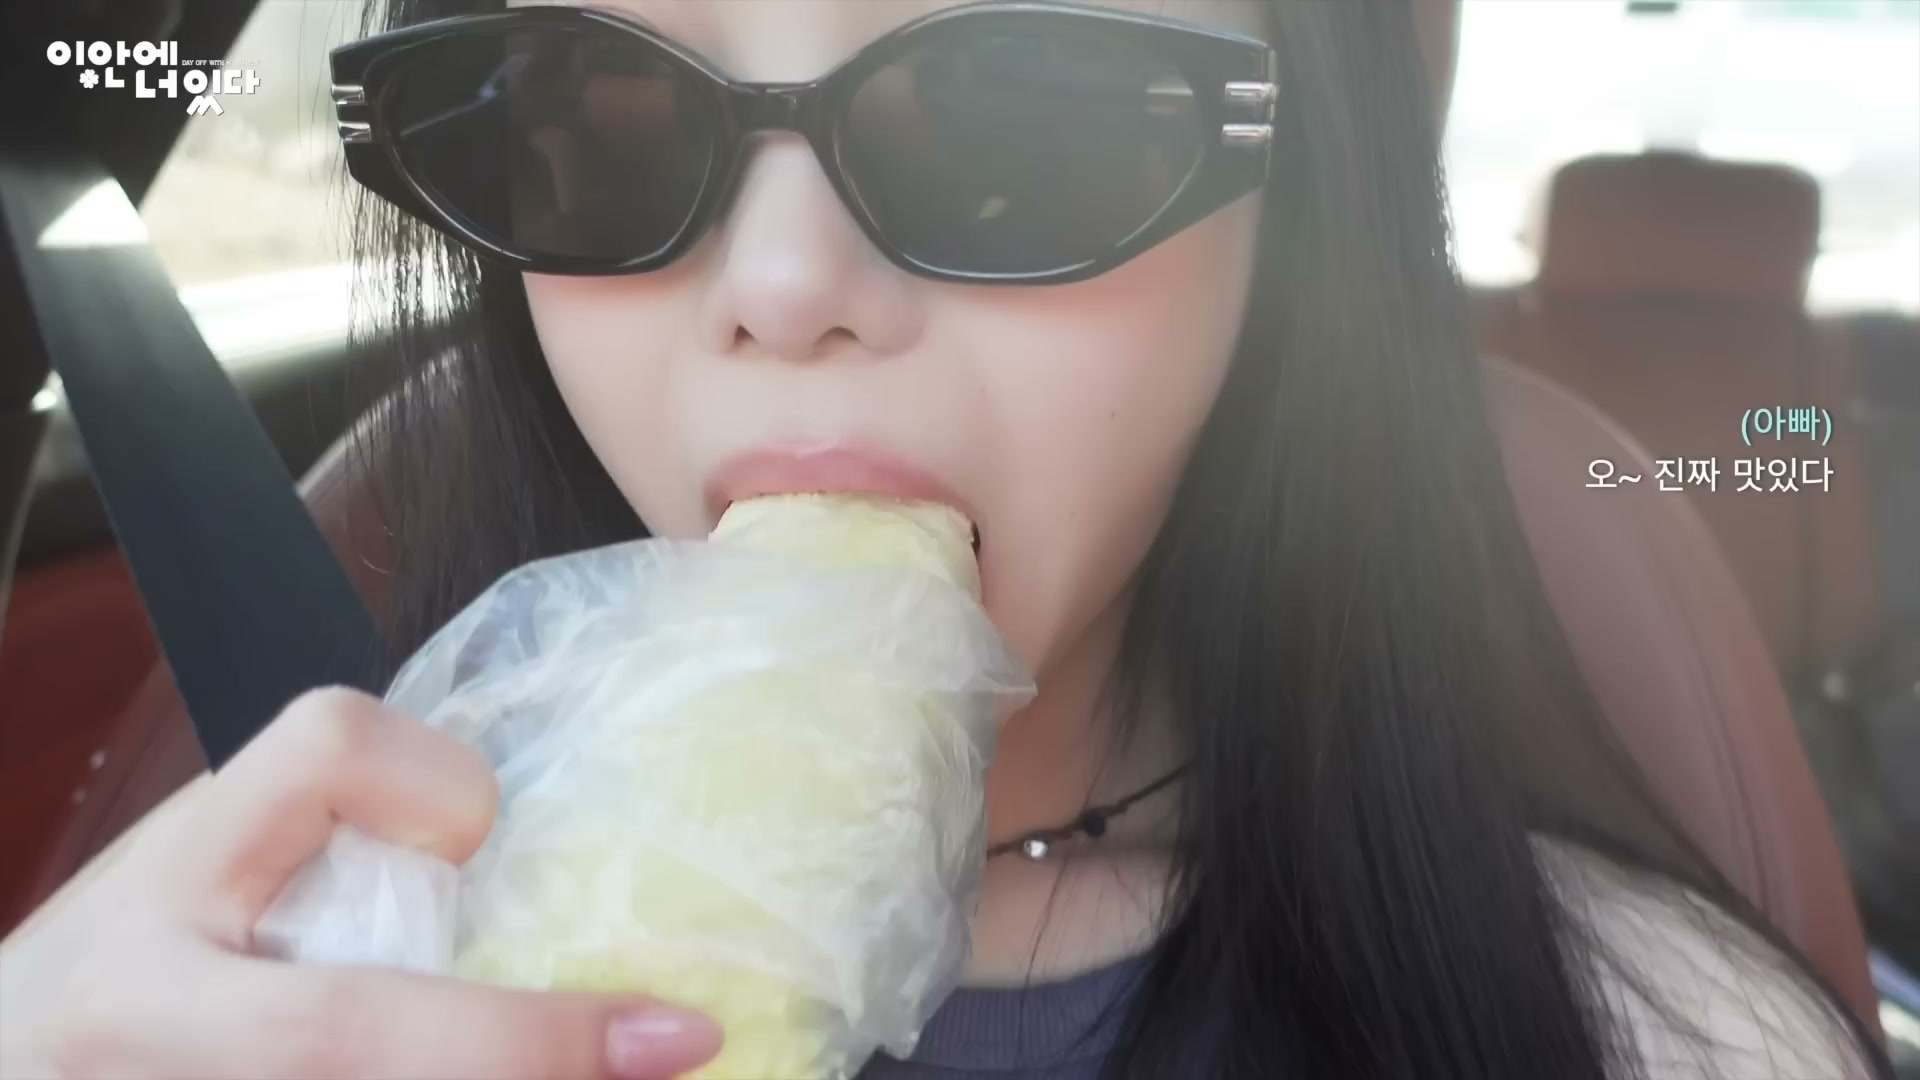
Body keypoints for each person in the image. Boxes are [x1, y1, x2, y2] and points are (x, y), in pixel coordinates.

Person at [0, 1, 1895, 1077]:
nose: (783, 285)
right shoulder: (285, 979)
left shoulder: (1665, 1037)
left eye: (1016, 120)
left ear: (1296, 211)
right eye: (597, 110)